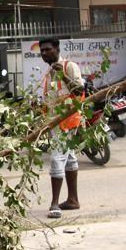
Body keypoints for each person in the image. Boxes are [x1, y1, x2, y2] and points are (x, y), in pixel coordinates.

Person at [39, 38, 84, 219]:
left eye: (47, 50)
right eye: (41, 51)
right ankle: (73, 200)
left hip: (67, 120)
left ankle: (55, 204)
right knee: (70, 158)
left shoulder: (69, 67)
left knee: (57, 158)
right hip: (54, 122)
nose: (44, 53)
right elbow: (50, 100)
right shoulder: (48, 73)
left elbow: (79, 91)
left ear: (57, 49)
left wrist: (63, 75)